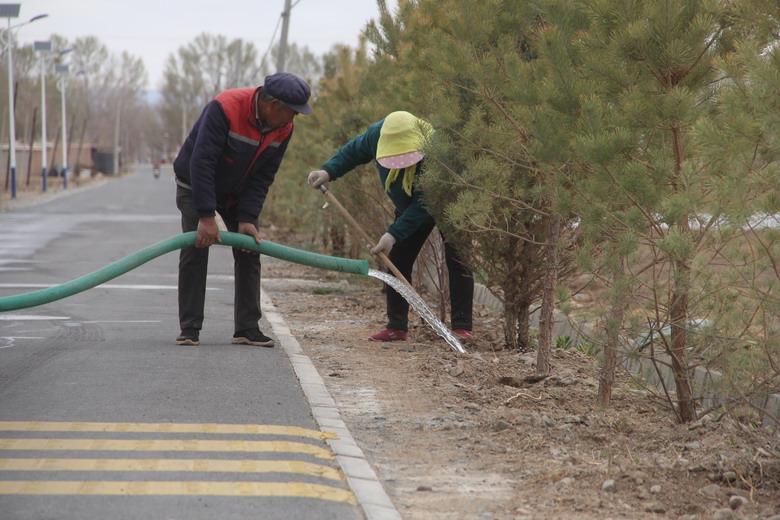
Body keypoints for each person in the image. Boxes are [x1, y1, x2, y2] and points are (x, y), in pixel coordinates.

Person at [307, 111, 474, 341]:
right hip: (409, 204)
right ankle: (397, 327)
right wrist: (328, 171)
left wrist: (393, 233)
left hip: (451, 200)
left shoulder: (438, 149)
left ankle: (462, 327)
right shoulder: (377, 134)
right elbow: (353, 152)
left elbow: (425, 202)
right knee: (398, 260)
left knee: (458, 260)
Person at [173, 72, 312, 347]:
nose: (292, 120)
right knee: (197, 247)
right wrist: (206, 215)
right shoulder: (225, 108)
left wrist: (247, 217)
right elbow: (202, 162)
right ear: (274, 105)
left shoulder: (282, 128)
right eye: (292, 113)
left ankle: (247, 329)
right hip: (195, 184)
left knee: (250, 249)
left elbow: (264, 176)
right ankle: (190, 329)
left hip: (237, 192)